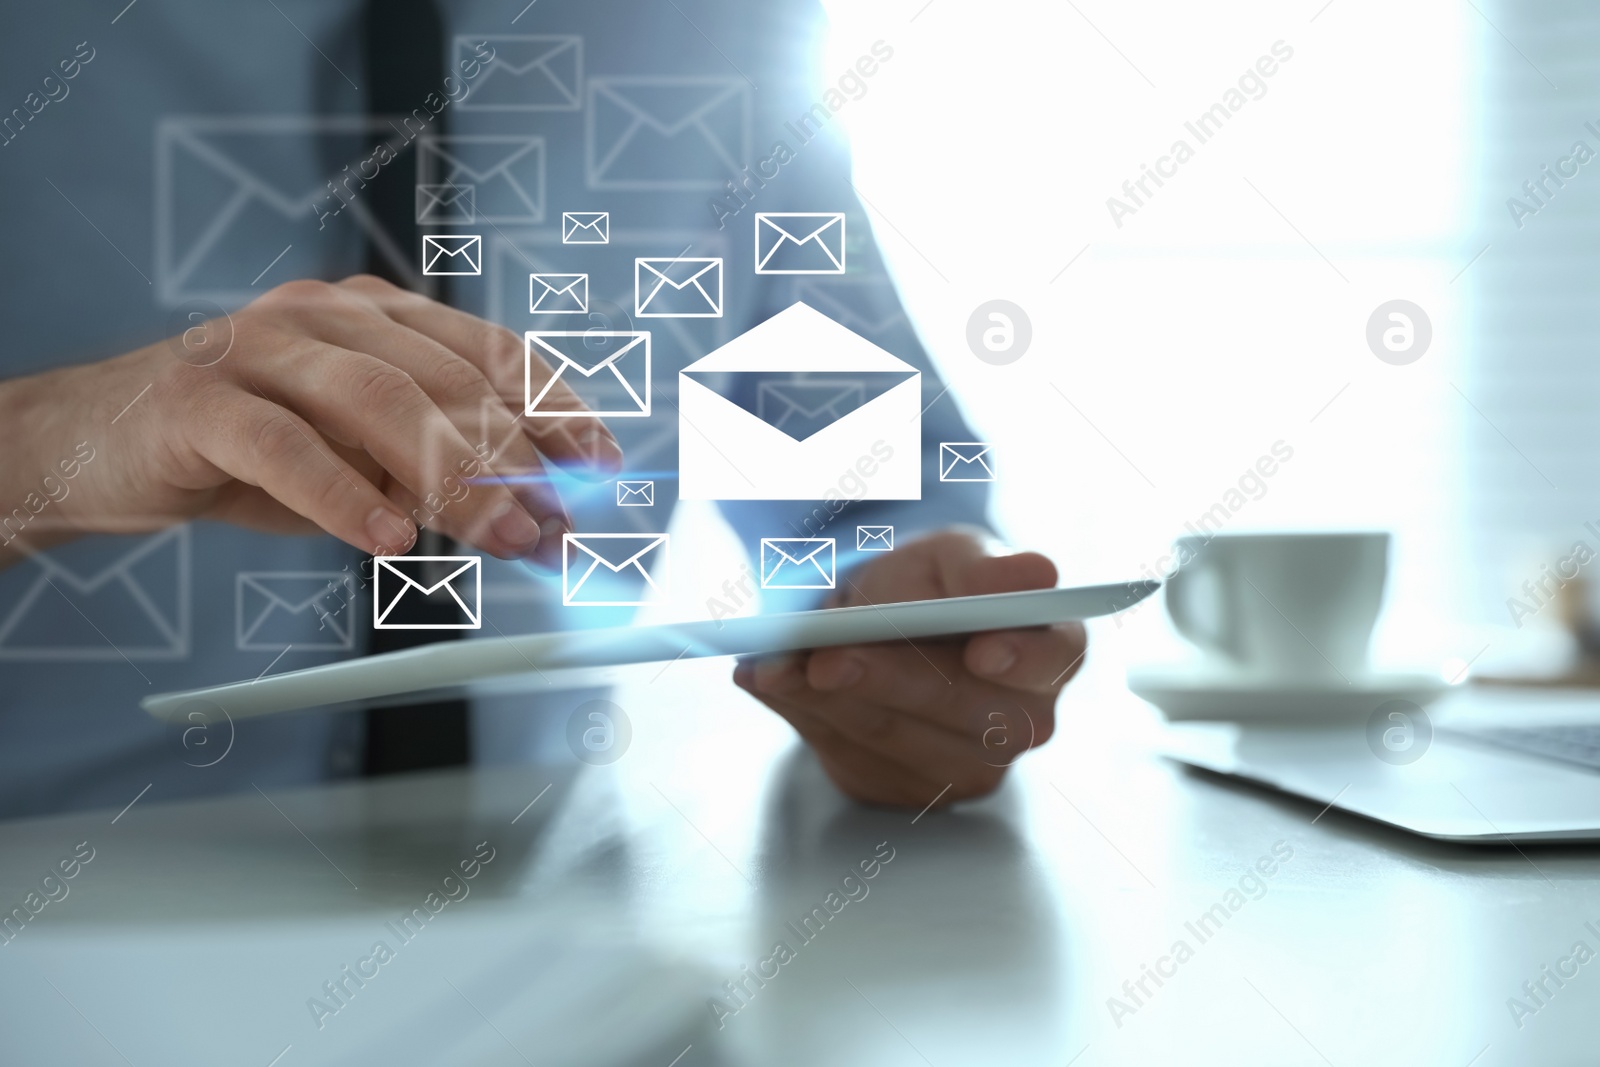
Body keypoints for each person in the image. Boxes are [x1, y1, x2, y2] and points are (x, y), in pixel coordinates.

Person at [0, 0, 1084, 818]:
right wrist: (38, 448)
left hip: (566, 920)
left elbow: (863, 504)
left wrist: (911, 642)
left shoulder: (716, 32)